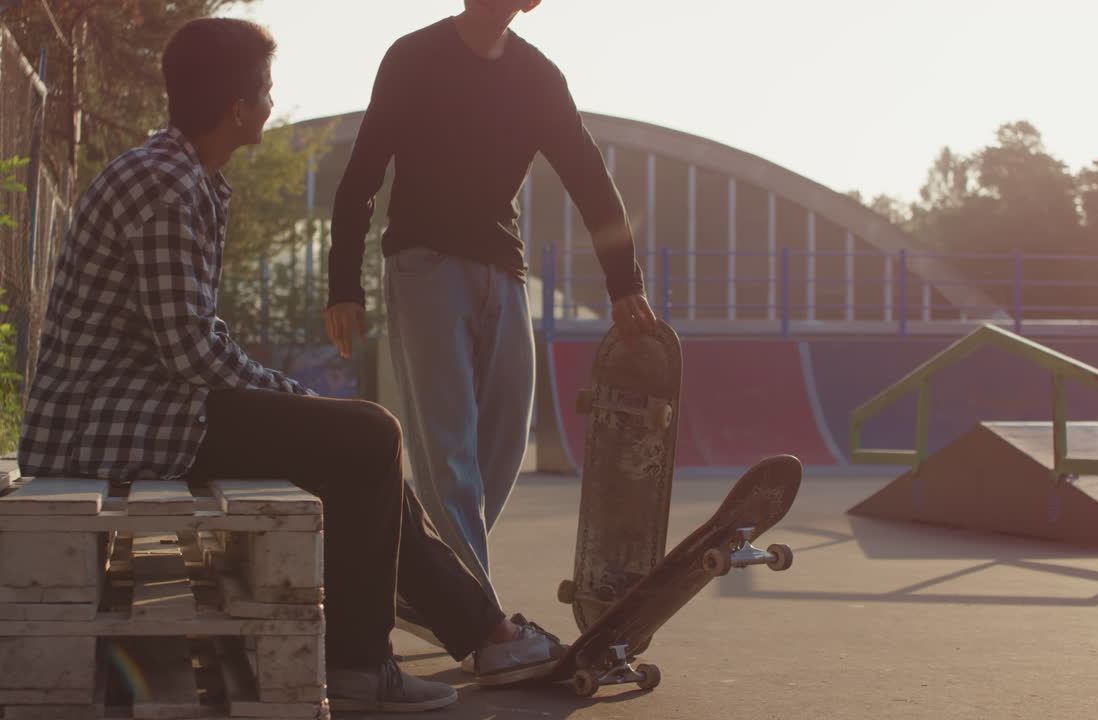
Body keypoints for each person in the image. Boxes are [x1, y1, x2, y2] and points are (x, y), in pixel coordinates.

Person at [18, 17, 565, 714]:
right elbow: (188, 348)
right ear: (240, 109)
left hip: (138, 409)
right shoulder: (168, 187)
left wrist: (295, 405)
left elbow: (182, 344)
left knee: (364, 438)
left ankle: (484, 632)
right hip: (109, 422)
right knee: (366, 435)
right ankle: (376, 661)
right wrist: (291, 397)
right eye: (268, 90)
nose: (273, 102)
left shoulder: (177, 173)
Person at [325, 0, 657, 629]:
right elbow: (362, 175)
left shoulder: (538, 75)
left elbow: (587, 174)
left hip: (503, 269)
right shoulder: (412, 56)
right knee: (446, 450)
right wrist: (344, 283)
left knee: (503, 441)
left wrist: (622, 282)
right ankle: (482, 623)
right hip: (424, 266)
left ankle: (432, 590)